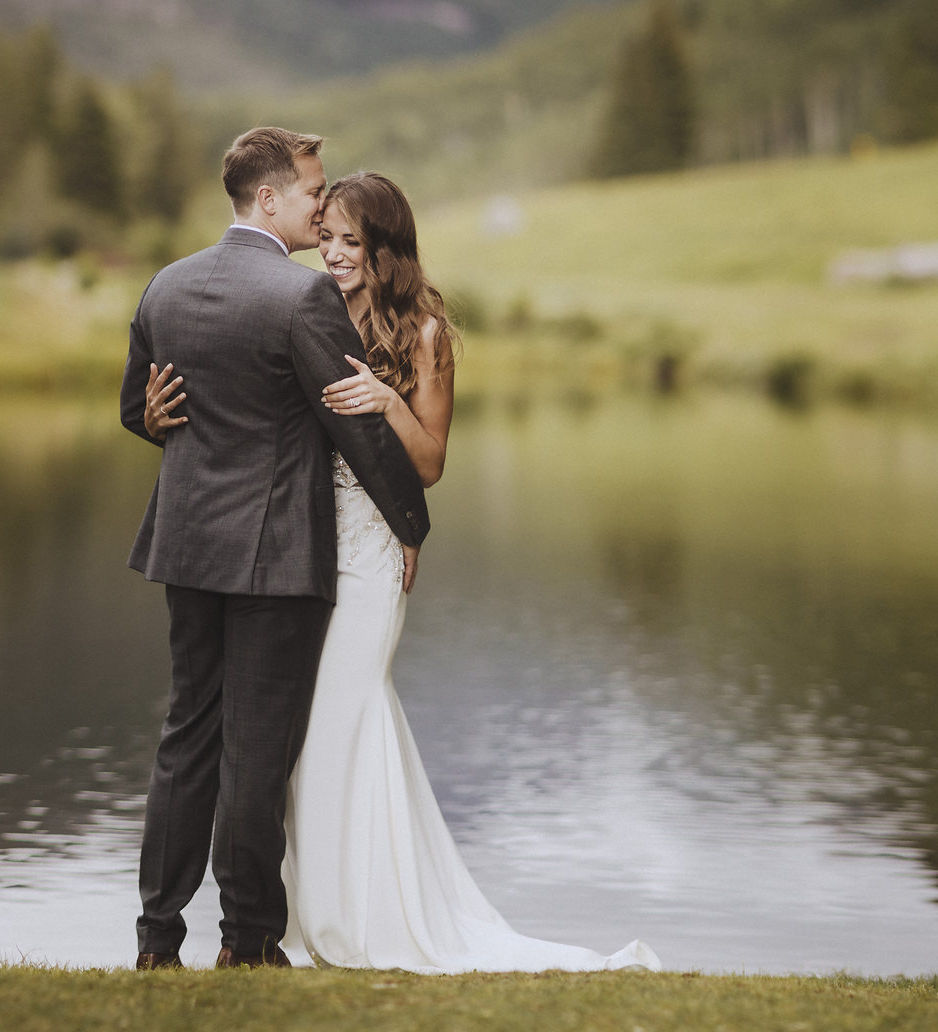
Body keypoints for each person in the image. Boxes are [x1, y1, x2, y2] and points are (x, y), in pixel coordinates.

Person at [143, 168, 659, 973]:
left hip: (366, 554)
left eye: (352, 242)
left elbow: (429, 463)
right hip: (296, 544)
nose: (334, 253)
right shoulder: (303, 305)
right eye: (327, 237)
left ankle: (358, 917)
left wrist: (388, 412)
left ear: (387, 249)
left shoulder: (424, 335)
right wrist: (151, 415)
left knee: (342, 719)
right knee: (288, 743)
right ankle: (289, 919)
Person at [120, 127, 429, 969]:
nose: (321, 209)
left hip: (187, 548)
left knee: (187, 737)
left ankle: (156, 939)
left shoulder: (166, 284)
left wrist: (152, 422)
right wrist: (410, 524)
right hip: (275, 554)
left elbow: (138, 408)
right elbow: (354, 426)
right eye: (312, 193)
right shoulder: (302, 297)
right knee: (255, 750)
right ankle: (248, 938)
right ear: (269, 198)